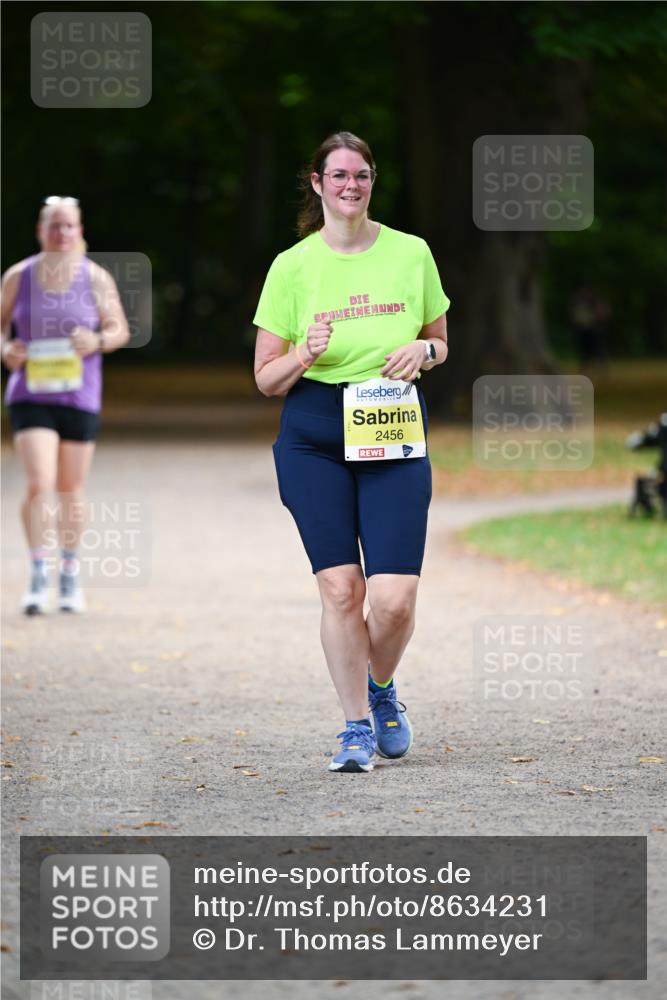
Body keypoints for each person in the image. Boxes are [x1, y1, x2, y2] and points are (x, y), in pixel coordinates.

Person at [253, 132, 450, 773]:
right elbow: (265, 378)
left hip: (389, 424)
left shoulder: (410, 253)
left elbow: (440, 342)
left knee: (392, 601)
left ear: (372, 182)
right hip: (313, 431)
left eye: (361, 175)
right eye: (337, 175)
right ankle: (354, 728)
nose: (350, 186)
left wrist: (424, 352)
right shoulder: (292, 266)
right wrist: (304, 352)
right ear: (317, 183)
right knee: (342, 590)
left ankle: (381, 685)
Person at [1, 197, 130, 614]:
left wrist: (97, 341)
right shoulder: (19, 276)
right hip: (30, 394)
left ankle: (69, 572)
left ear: (79, 231)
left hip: (79, 394)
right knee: (40, 482)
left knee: (70, 488)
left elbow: (118, 329)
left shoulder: (95, 278)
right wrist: (8, 350)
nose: (61, 233)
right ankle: (39, 571)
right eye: (54, 225)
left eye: (69, 226)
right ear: (41, 231)